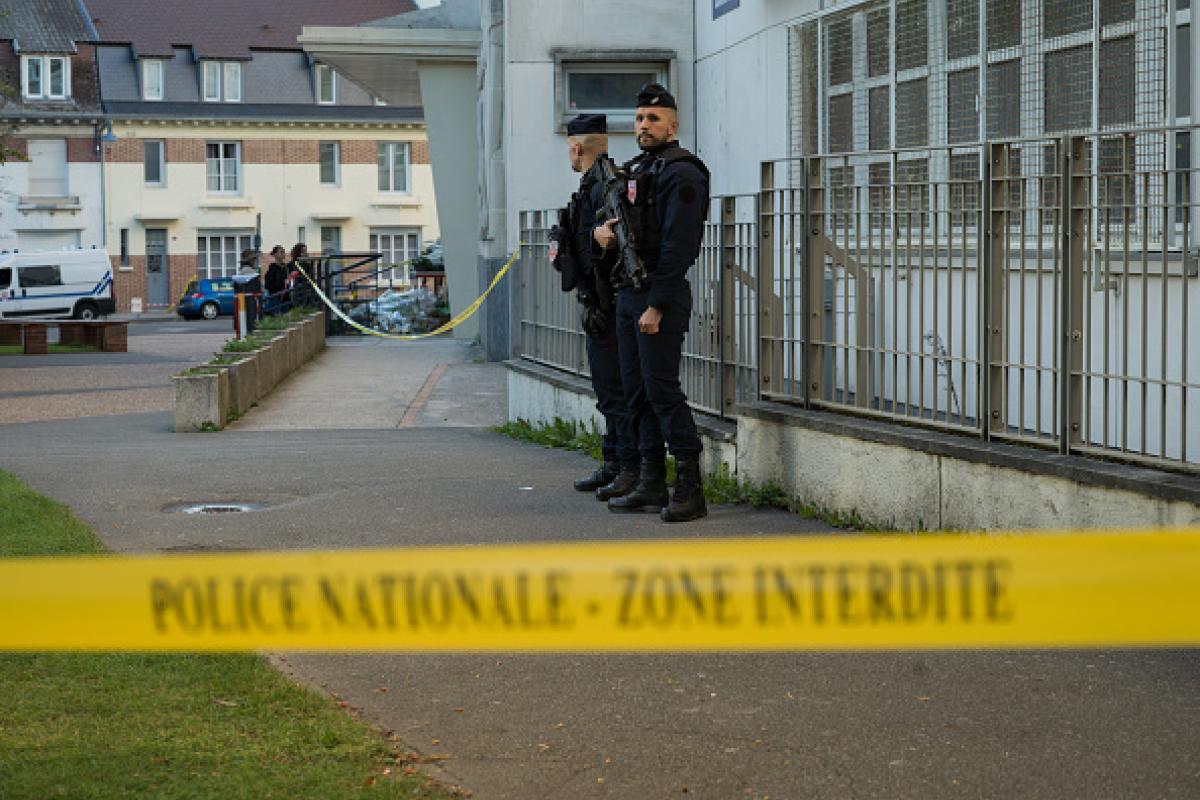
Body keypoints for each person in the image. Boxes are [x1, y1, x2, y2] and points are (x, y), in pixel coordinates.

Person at [594, 83, 711, 522]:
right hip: (629, 293)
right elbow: (626, 226)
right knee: (635, 392)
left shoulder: (683, 173)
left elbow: (681, 246)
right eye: (640, 118)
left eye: (654, 119)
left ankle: (689, 486)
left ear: (673, 125)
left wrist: (658, 304)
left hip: (658, 296)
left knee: (662, 393)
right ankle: (649, 480)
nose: (644, 125)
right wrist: (599, 234)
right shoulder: (639, 170)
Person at [549, 113, 639, 500]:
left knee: (618, 393)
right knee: (608, 391)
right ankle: (616, 463)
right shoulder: (596, 186)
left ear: (576, 147)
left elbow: (607, 249)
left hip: (608, 302)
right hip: (600, 302)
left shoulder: (604, 187)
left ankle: (629, 469)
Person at [263, 245, 288, 314]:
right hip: (276, 297)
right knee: (277, 316)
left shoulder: (286, 267)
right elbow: (268, 285)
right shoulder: (272, 269)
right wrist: (282, 283)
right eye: (281, 252)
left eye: (284, 252)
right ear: (275, 255)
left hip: (286, 297)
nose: (283, 254)